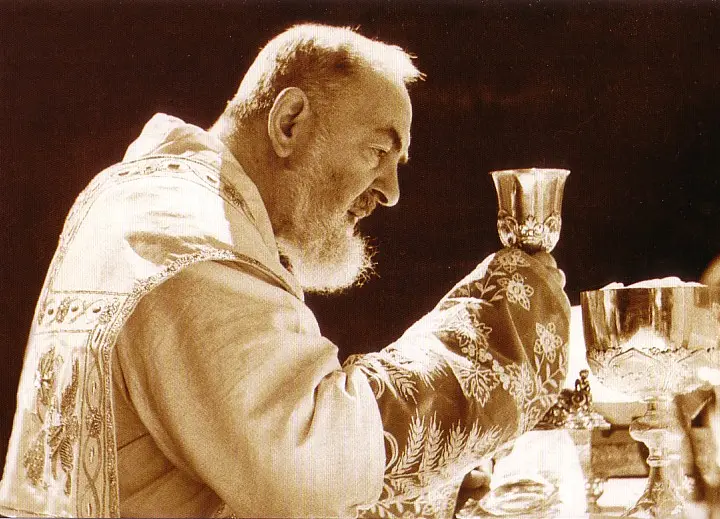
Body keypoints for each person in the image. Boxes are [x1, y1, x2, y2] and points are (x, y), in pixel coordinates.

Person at [0, 24, 569, 518]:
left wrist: (437, 482)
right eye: (378, 151)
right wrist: (500, 327)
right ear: (289, 122)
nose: (392, 192)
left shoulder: (152, 199)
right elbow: (309, 464)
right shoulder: (189, 239)